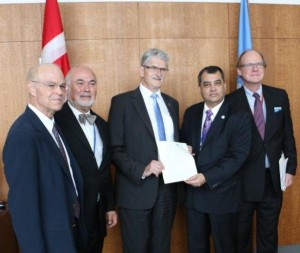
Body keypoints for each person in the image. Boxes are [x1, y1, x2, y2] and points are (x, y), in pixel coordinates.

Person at [3, 63, 86, 253]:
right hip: (50, 242)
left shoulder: (53, 127)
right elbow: (24, 208)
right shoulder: (23, 135)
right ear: (32, 88)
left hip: (68, 234)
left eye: (62, 86)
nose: (59, 91)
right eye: (51, 85)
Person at [108, 48, 179, 253]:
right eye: (153, 68)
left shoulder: (171, 104)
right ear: (142, 70)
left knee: (161, 247)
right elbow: (115, 149)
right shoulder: (122, 103)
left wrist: (183, 151)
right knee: (136, 248)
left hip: (167, 190)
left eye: (163, 69)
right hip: (135, 190)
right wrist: (143, 169)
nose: (158, 73)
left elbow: (173, 142)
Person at [227, 49, 297, 253]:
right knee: (241, 234)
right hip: (241, 180)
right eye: (248, 65)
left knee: (269, 233)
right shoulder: (230, 102)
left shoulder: (279, 96)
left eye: (259, 64)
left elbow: (287, 134)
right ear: (239, 71)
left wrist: (291, 168)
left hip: (272, 179)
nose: (255, 68)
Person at [181, 65, 251, 253]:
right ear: (200, 88)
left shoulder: (239, 116)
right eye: (207, 84)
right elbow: (183, 144)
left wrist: (206, 177)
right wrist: (183, 150)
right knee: (196, 248)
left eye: (217, 83)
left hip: (223, 196)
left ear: (225, 85)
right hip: (194, 198)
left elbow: (238, 157)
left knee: (225, 248)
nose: (213, 88)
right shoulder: (191, 113)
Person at [55, 65, 117, 253]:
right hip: (70, 216)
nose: (87, 89)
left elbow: (103, 170)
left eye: (91, 83)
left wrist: (109, 206)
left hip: (97, 215)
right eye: (80, 83)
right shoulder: (55, 122)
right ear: (66, 88)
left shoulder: (102, 124)